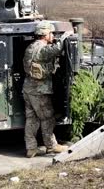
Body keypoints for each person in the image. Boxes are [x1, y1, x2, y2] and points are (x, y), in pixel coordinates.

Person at [23, 21, 73, 158]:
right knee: (47, 119)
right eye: (51, 33)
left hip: (28, 89)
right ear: (45, 35)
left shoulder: (31, 47)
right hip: (39, 90)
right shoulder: (42, 49)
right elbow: (56, 49)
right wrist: (65, 36)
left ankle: (31, 148)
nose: (52, 36)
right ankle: (51, 146)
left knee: (31, 119)